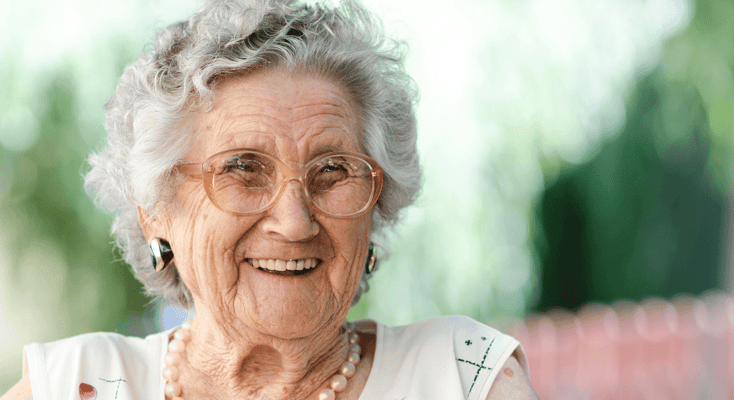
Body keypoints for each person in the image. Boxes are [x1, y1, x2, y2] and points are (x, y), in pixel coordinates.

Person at [2, 0, 537, 399]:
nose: (295, 221)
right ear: (156, 212)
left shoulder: (462, 378)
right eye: (243, 169)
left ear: (377, 204)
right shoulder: (72, 385)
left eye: (332, 170)